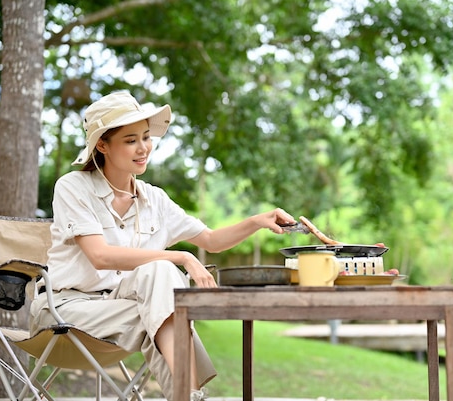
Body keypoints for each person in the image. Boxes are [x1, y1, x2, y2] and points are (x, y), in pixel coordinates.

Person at [30, 90, 296, 401]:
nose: (143, 148)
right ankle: (193, 395)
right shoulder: (73, 187)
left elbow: (210, 240)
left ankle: (188, 395)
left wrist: (257, 221)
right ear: (102, 144)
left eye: (146, 137)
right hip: (67, 310)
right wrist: (181, 256)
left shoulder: (154, 198)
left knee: (159, 289)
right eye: (130, 140)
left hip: (125, 308)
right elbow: (100, 256)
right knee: (162, 303)